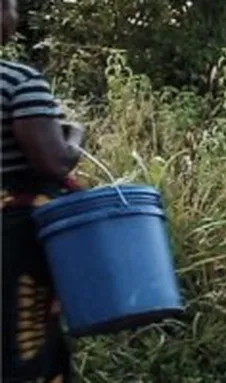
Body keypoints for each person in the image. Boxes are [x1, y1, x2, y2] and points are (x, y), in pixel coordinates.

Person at [2, 0, 86, 380]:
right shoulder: (19, 81)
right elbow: (53, 162)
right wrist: (75, 136)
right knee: (27, 340)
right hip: (14, 240)